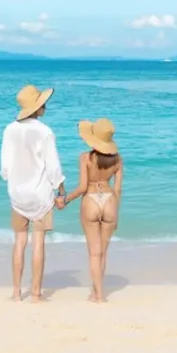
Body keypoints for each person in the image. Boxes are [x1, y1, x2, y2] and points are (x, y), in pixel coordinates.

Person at [0, 83, 66, 302]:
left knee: (19, 241)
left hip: (17, 193)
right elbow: (53, 166)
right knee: (38, 242)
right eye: (43, 104)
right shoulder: (45, 132)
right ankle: (36, 294)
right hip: (40, 194)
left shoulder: (9, 129)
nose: (45, 106)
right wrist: (61, 189)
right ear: (37, 108)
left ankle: (16, 292)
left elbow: (5, 168)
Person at [58, 118, 122, 303]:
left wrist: (65, 200)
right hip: (109, 200)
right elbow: (118, 189)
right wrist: (116, 214)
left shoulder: (85, 158)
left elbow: (82, 187)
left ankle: (98, 295)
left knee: (93, 253)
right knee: (103, 252)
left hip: (91, 200)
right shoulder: (118, 159)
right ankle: (97, 292)